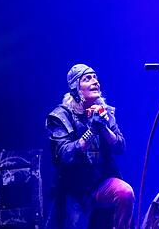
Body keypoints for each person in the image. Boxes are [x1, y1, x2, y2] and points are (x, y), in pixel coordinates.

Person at [45, 64, 134, 229]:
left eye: (95, 77)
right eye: (87, 79)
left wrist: (103, 127)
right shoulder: (60, 116)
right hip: (74, 188)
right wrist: (91, 130)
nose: (95, 82)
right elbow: (64, 155)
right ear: (76, 88)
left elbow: (120, 147)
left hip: (101, 181)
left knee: (125, 192)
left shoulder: (104, 112)